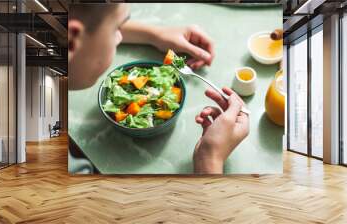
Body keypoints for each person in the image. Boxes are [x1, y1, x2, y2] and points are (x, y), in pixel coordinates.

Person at [68, 3, 249, 174]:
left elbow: (89, 20)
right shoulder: (75, 169)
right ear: (71, 41)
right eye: (117, 28)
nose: (120, 36)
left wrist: (154, 35)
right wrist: (209, 160)